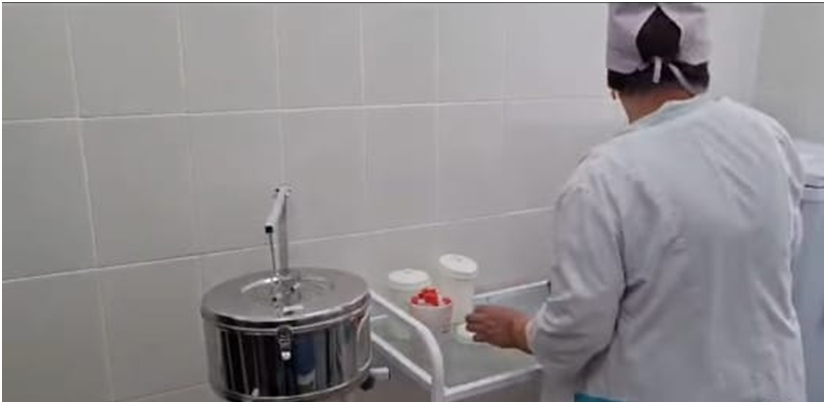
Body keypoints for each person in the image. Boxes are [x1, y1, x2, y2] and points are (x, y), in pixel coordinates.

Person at [467, 3, 807, 401]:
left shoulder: (602, 179)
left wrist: (518, 330)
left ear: (613, 83)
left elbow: (578, 329)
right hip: (772, 387)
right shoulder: (769, 136)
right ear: (702, 69)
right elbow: (780, 257)